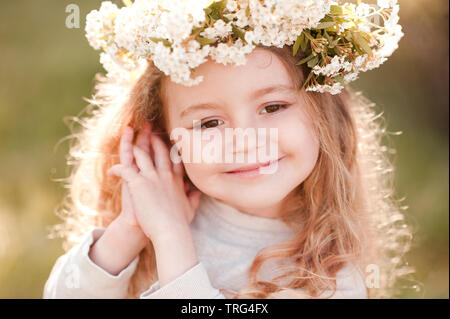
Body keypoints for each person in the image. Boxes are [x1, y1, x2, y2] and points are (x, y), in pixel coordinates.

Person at [43, 0, 413, 299]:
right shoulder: (156, 217)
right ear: (164, 137)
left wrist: (172, 239)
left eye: (272, 107)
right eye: (209, 123)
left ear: (325, 113)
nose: (245, 140)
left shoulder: (332, 279)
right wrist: (128, 231)